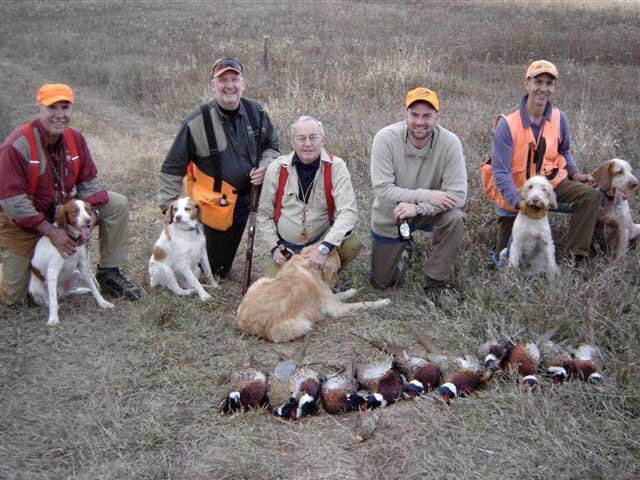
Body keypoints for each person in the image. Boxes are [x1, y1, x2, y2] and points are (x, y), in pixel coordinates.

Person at [0, 83, 141, 304]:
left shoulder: (76, 140)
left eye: (65, 107)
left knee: (116, 203)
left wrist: (91, 213)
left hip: (64, 214)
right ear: (38, 109)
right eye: (52, 108)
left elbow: (91, 185)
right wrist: (51, 232)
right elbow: (13, 203)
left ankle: (109, 272)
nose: (59, 115)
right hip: (24, 223)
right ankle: (11, 270)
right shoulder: (16, 146)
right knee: (14, 299)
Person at [158, 57, 280, 279]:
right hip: (218, 204)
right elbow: (172, 168)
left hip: (254, 194)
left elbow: (272, 147)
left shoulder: (257, 112)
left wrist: (265, 166)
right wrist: (168, 208)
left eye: (235, 79)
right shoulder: (195, 122)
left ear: (243, 83)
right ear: (213, 85)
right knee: (216, 271)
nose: (229, 85)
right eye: (222, 80)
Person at [484, 60, 598, 259]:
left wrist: (576, 173)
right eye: (538, 82)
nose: (543, 88)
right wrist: (519, 202)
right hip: (517, 193)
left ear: (554, 87)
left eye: (549, 83)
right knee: (506, 258)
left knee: (590, 196)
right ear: (526, 83)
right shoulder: (507, 125)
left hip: (551, 186)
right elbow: (500, 173)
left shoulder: (559, 118)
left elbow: (564, 150)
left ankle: (576, 257)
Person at [370, 87, 467, 299]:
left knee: (455, 218)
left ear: (437, 117)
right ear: (405, 114)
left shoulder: (450, 143)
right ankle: (407, 247)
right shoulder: (385, 138)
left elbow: (458, 196)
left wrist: (419, 207)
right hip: (393, 213)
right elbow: (383, 191)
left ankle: (435, 282)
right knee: (381, 283)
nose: (420, 122)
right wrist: (426, 195)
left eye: (427, 116)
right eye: (414, 115)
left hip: (430, 210)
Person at [257, 116, 361, 277]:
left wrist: (324, 248)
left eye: (313, 137)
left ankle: (326, 277)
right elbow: (263, 214)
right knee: (278, 288)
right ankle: (313, 276)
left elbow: (348, 212)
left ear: (322, 140)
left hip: (322, 242)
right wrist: (275, 246)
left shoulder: (336, 167)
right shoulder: (276, 168)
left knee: (351, 244)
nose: (307, 144)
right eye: (301, 138)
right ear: (293, 142)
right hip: (288, 248)